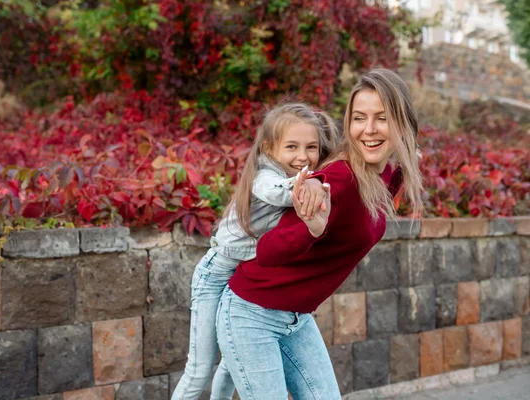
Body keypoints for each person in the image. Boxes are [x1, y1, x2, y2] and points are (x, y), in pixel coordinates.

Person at [216, 68, 424, 399]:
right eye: (359, 118)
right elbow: (268, 252)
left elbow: (373, 202)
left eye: (382, 118)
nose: (368, 130)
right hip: (252, 313)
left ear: (402, 122)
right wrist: (311, 230)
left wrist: (405, 156)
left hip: (295, 318)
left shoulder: (380, 174)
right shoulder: (337, 180)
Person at [171, 103, 340, 400]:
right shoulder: (266, 175)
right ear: (269, 148)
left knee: (232, 362)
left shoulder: (306, 173)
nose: (302, 156)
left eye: (311, 147)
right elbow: (276, 192)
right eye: (292, 146)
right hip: (216, 274)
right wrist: (309, 186)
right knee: (199, 369)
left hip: (243, 279)